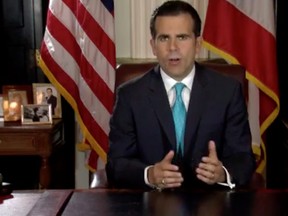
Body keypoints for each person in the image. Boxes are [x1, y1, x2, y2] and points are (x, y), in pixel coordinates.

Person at [106, 0, 256, 190]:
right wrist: (149, 174)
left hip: (211, 202)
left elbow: (243, 158)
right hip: (150, 203)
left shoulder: (227, 91)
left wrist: (222, 173)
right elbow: (116, 164)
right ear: (153, 45)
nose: (173, 47)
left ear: (198, 44)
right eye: (164, 38)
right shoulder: (130, 95)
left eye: (182, 37)